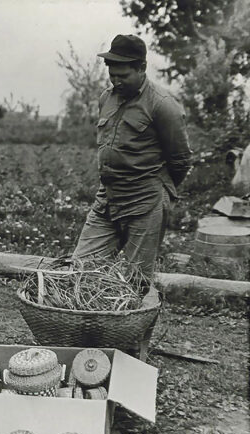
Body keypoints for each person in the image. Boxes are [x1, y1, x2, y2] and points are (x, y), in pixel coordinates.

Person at [72, 34, 192, 280]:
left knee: (136, 281)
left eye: (123, 76)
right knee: (81, 271)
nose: (116, 81)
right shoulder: (107, 98)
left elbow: (180, 160)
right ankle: (92, 320)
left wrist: (155, 190)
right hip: (108, 200)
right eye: (112, 75)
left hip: (144, 204)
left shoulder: (163, 105)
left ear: (142, 68)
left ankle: (136, 319)